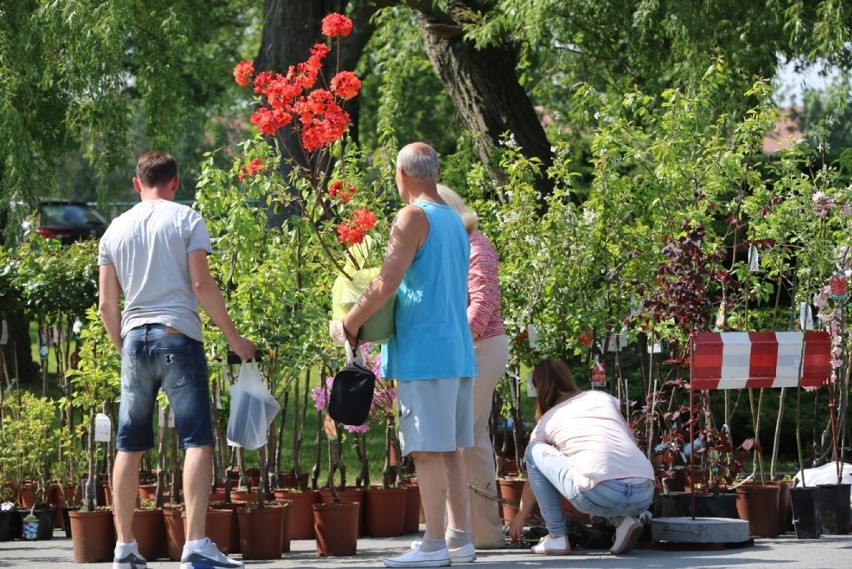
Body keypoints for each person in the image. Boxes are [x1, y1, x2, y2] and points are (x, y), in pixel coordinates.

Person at [98, 151, 255, 569]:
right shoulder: (187, 219)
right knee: (197, 440)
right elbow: (201, 284)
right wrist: (234, 338)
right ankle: (196, 545)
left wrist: (123, 346)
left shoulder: (114, 230)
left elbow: (106, 304)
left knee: (128, 444)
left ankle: (125, 548)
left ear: (137, 184)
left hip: (134, 339)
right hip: (177, 336)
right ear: (175, 182)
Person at [341, 142, 478, 568]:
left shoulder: (412, 216)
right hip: (455, 350)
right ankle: (460, 539)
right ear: (435, 173)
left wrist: (350, 321)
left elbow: (386, 281)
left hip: (426, 352)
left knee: (425, 450)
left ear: (402, 174)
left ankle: (434, 546)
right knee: (451, 449)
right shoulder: (454, 220)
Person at [508, 358, 654, 556]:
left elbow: (532, 477)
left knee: (534, 451)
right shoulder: (602, 398)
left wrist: (520, 516)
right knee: (601, 469)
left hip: (601, 493)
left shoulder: (546, 420)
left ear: (539, 389)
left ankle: (557, 537)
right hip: (644, 491)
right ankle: (623, 522)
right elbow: (631, 442)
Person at [436, 184, 508, 549]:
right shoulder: (456, 244)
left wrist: (451, 346)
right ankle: (484, 534)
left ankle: (457, 532)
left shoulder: (475, 245)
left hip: (478, 348)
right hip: (471, 347)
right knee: (473, 438)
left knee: (457, 439)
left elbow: (482, 304)